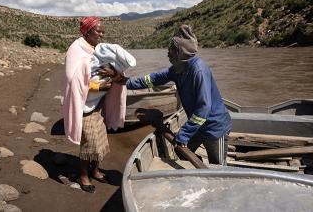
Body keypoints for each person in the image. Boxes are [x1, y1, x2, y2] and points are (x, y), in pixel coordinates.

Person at [122, 25, 231, 165]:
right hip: (197, 126)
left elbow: (204, 108)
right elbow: (152, 79)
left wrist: (184, 134)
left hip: (215, 127)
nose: (168, 53)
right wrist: (125, 82)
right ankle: (199, 164)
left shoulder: (198, 70)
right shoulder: (177, 69)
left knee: (218, 167)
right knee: (181, 152)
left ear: (180, 52)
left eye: (171, 49)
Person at [62, 16, 134, 193]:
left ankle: (95, 170)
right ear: (87, 31)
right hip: (84, 105)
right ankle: (83, 175)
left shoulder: (99, 49)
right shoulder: (76, 49)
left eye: (103, 31)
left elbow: (115, 71)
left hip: (99, 103)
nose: (102, 34)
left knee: (101, 138)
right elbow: (73, 80)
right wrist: (97, 86)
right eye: (98, 31)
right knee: (89, 142)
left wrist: (114, 72)